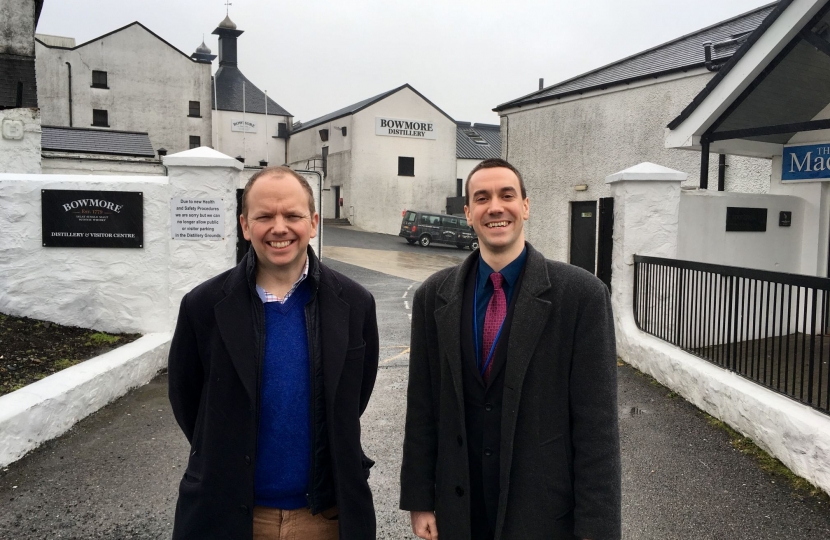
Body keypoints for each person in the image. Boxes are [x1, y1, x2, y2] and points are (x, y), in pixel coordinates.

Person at [400, 158, 621, 540]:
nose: (495, 207)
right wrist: (420, 499)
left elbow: (596, 427)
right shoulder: (432, 297)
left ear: (526, 207)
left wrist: (597, 530)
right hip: (460, 510)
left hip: (543, 514)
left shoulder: (582, 296)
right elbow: (422, 406)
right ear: (468, 213)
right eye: (482, 198)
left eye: (507, 195)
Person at [168, 166, 379, 540]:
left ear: (313, 222)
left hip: (325, 519)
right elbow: (188, 401)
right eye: (264, 216)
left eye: (293, 216)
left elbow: (353, 398)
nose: (279, 228)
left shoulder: (356, 304)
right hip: (230, 516)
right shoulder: (203, 306)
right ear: (245, 225)